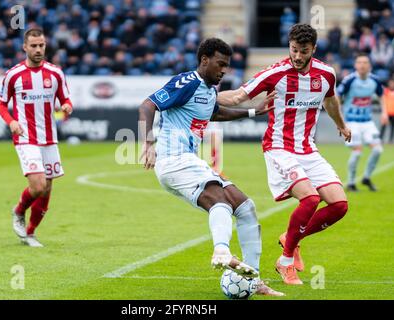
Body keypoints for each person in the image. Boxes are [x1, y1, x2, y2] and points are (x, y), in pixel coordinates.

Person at [139, 38, 284, 296]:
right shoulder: (187, 82)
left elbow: (214, 113)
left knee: (245, 207)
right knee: (219, 198)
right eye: (220, 64)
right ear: (204, 60)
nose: (224, 70)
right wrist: (147, 141)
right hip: (174, 159)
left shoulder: (207, 90)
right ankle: (221, 250)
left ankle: (254, 280)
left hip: (189, 161)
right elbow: (148, 105)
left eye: (227, 66)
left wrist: (253, 112)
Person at [216, 24, 351, 285]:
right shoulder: (275, 73)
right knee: (310, 199)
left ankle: (289, 239)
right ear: (288, 46)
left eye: (303, 51)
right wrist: (201, 95)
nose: (298, 56)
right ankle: (285, 261)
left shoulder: (326, 74)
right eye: (293, 50)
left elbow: (330, 100)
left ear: (314, 49)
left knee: (339, 206)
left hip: (308, 149)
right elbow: (237, 97)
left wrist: (341, 124)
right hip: (278, 147)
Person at [0, 28, 73, 247]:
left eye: (41, 45)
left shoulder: (56, 73)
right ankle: (19, 211)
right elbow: (1, 104)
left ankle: (30, 233)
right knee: (38, 186)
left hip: (49, 137)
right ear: (25, 47)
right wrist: (11, 121)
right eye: (34, 46)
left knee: (47, 189)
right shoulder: (13, 75)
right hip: (26, 137)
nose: (38, 49)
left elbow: (66, 99)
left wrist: (67, 106)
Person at [337, 53, 386, 192]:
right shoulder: (349, 80)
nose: (362, 65)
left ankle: (366, 177)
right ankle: (351, 182)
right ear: (355, 65)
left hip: (367, 122)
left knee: (377, 149)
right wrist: (340, 119)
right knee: (357, 152)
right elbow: (337, 97)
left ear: (369, 65)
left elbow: (382, 96)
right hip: (352, 123)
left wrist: (383, 112)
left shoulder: (375, 80)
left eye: (365, 62)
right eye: (359, 62)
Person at [380, 78, 394, 143]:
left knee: (392, 128)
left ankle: (390, 140)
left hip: (393, 113)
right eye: (391, 83)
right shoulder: (386, 91)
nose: (392, 85)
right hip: (387, 113)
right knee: (383, 127)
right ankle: (380, 139)